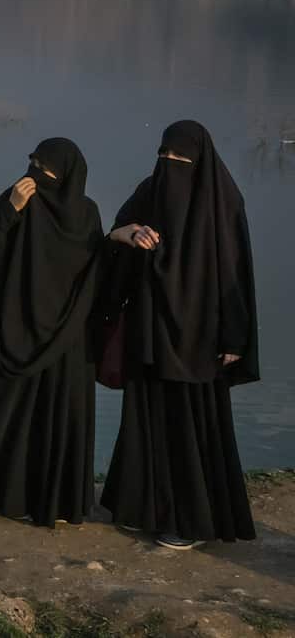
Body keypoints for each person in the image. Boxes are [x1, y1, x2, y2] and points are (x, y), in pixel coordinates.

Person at [101, 120, 259, 550]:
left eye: (178, 158)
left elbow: (235, 277)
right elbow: (112, 244)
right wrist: (127, 235)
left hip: (200, 341)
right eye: (163, 156)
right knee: (147, 419)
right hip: (150, 332)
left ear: (198, 159)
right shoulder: (149, 191)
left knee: (191, 428)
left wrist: (234, 339)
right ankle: (141, 508)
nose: (168, 165)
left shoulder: (223, 204)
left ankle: (190, 522)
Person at [0, 139, 103, 526]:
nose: (35, 173)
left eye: (44, 167)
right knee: (4, 410)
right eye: (31, 162)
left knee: (46, 413)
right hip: (20, 326)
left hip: (61, 337)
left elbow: (94, 272)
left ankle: (48, 498)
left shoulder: (86, 215)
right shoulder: (19, 199)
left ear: (64, 175)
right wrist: (8, 209)